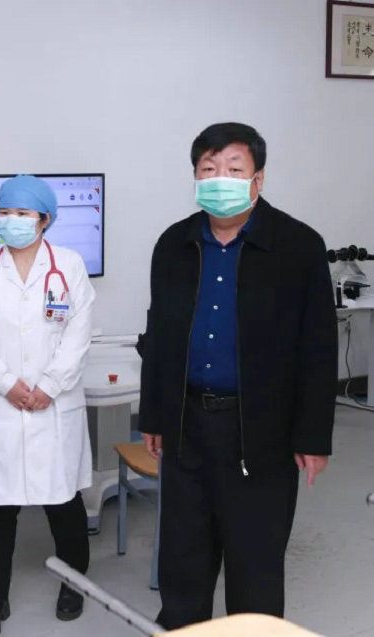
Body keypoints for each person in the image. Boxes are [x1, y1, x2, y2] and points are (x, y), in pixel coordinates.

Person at [139, 122, 337, 629]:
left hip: (261, 433)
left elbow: (318, 348)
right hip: (187, 427)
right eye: (208, 169)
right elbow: (159, 338)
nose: (219, 179)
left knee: (255, 569)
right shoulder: (174, 244)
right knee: (183, 564)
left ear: (258, 179)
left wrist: (313, 436)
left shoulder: (298, 246)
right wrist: (154, 416)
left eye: (233, 168)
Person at [0, 175, 95, 636]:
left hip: (54, 406)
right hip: (1, 406)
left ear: (44, 220)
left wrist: (50, 386)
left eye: (21, 213)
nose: (10, 220)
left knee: (64, 504)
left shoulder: (68, 266)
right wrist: (6, 384)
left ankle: (74, 585)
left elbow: (78, 334)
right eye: (4, 212)